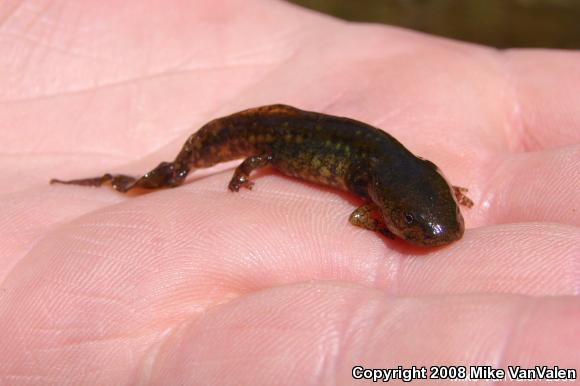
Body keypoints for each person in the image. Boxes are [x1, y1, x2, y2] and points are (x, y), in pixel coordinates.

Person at [0, 1, 578, 384]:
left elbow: (414, 178)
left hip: (366, 155)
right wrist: (244, 171)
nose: (413, 227)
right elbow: (362, 213)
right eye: (404, 220)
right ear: (384, 197)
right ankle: (146, 181)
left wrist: (421, 202)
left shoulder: (403, 175)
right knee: (260, 152)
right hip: (281, 139)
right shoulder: (370, 179)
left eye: (433, 209)